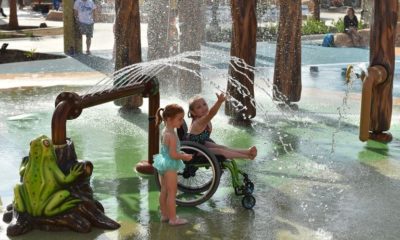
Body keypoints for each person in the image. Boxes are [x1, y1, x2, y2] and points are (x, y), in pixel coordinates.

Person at [153, 104, 192, 226]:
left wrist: (178, 152)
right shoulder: (172, 135)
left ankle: (164, 215)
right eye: (179, 119)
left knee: (164, 190)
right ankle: (173, 219)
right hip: (170, 165)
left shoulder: (165, 131)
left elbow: (167, 150)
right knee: (172, 192)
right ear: (169, 119)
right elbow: (173, 154)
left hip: (162, 163)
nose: (182, 121)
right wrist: (184, 156)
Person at [187, 93, 258, 160]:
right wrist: (219, 102)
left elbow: (210, 115)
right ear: (193, 112)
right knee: (220, 151)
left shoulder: (205, 119)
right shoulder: (199, 122)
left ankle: (247, 151)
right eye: (199, 107)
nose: (203, 108)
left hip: (201, 144)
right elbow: (211, 114)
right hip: (193, 151)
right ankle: (247, 156)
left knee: (221, 147)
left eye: (204, 104)